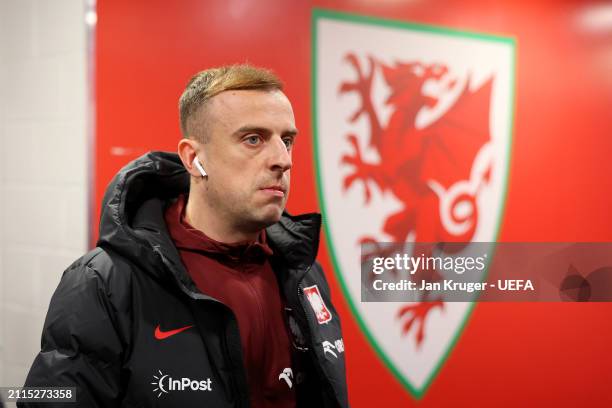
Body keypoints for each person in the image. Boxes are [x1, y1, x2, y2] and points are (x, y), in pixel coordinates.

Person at [21, 65, 348, 407]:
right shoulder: (103, 282)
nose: (282, 160)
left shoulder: (302, 272)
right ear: (194, 159)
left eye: (287, 140)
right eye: (253, 139)